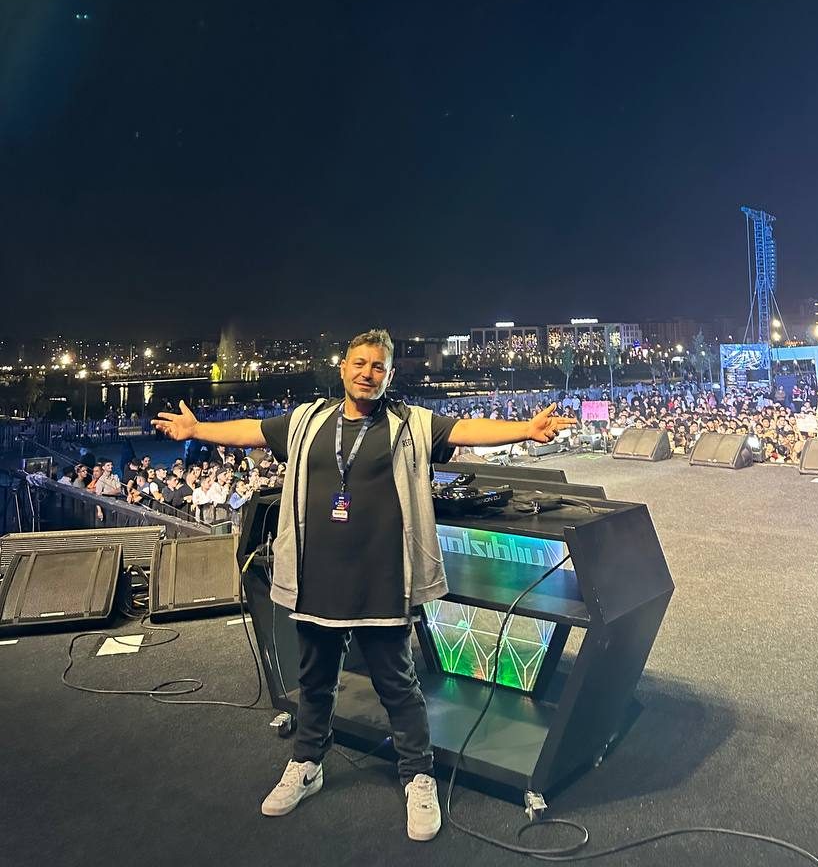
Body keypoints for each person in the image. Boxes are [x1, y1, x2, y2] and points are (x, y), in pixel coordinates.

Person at [153, 328, 575, 840]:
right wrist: (197, 429)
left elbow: (466, 428)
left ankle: (417, 775)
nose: (367, 373)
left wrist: (525, 429)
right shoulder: (308, 421)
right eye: (360, 363)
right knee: (315, 680)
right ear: (343, 368)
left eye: (378, 367)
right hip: (316, 577)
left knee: (397, 684)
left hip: (383, 579)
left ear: (389, 376)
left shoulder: (411, 424)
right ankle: (307, 763)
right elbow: (252, 432)